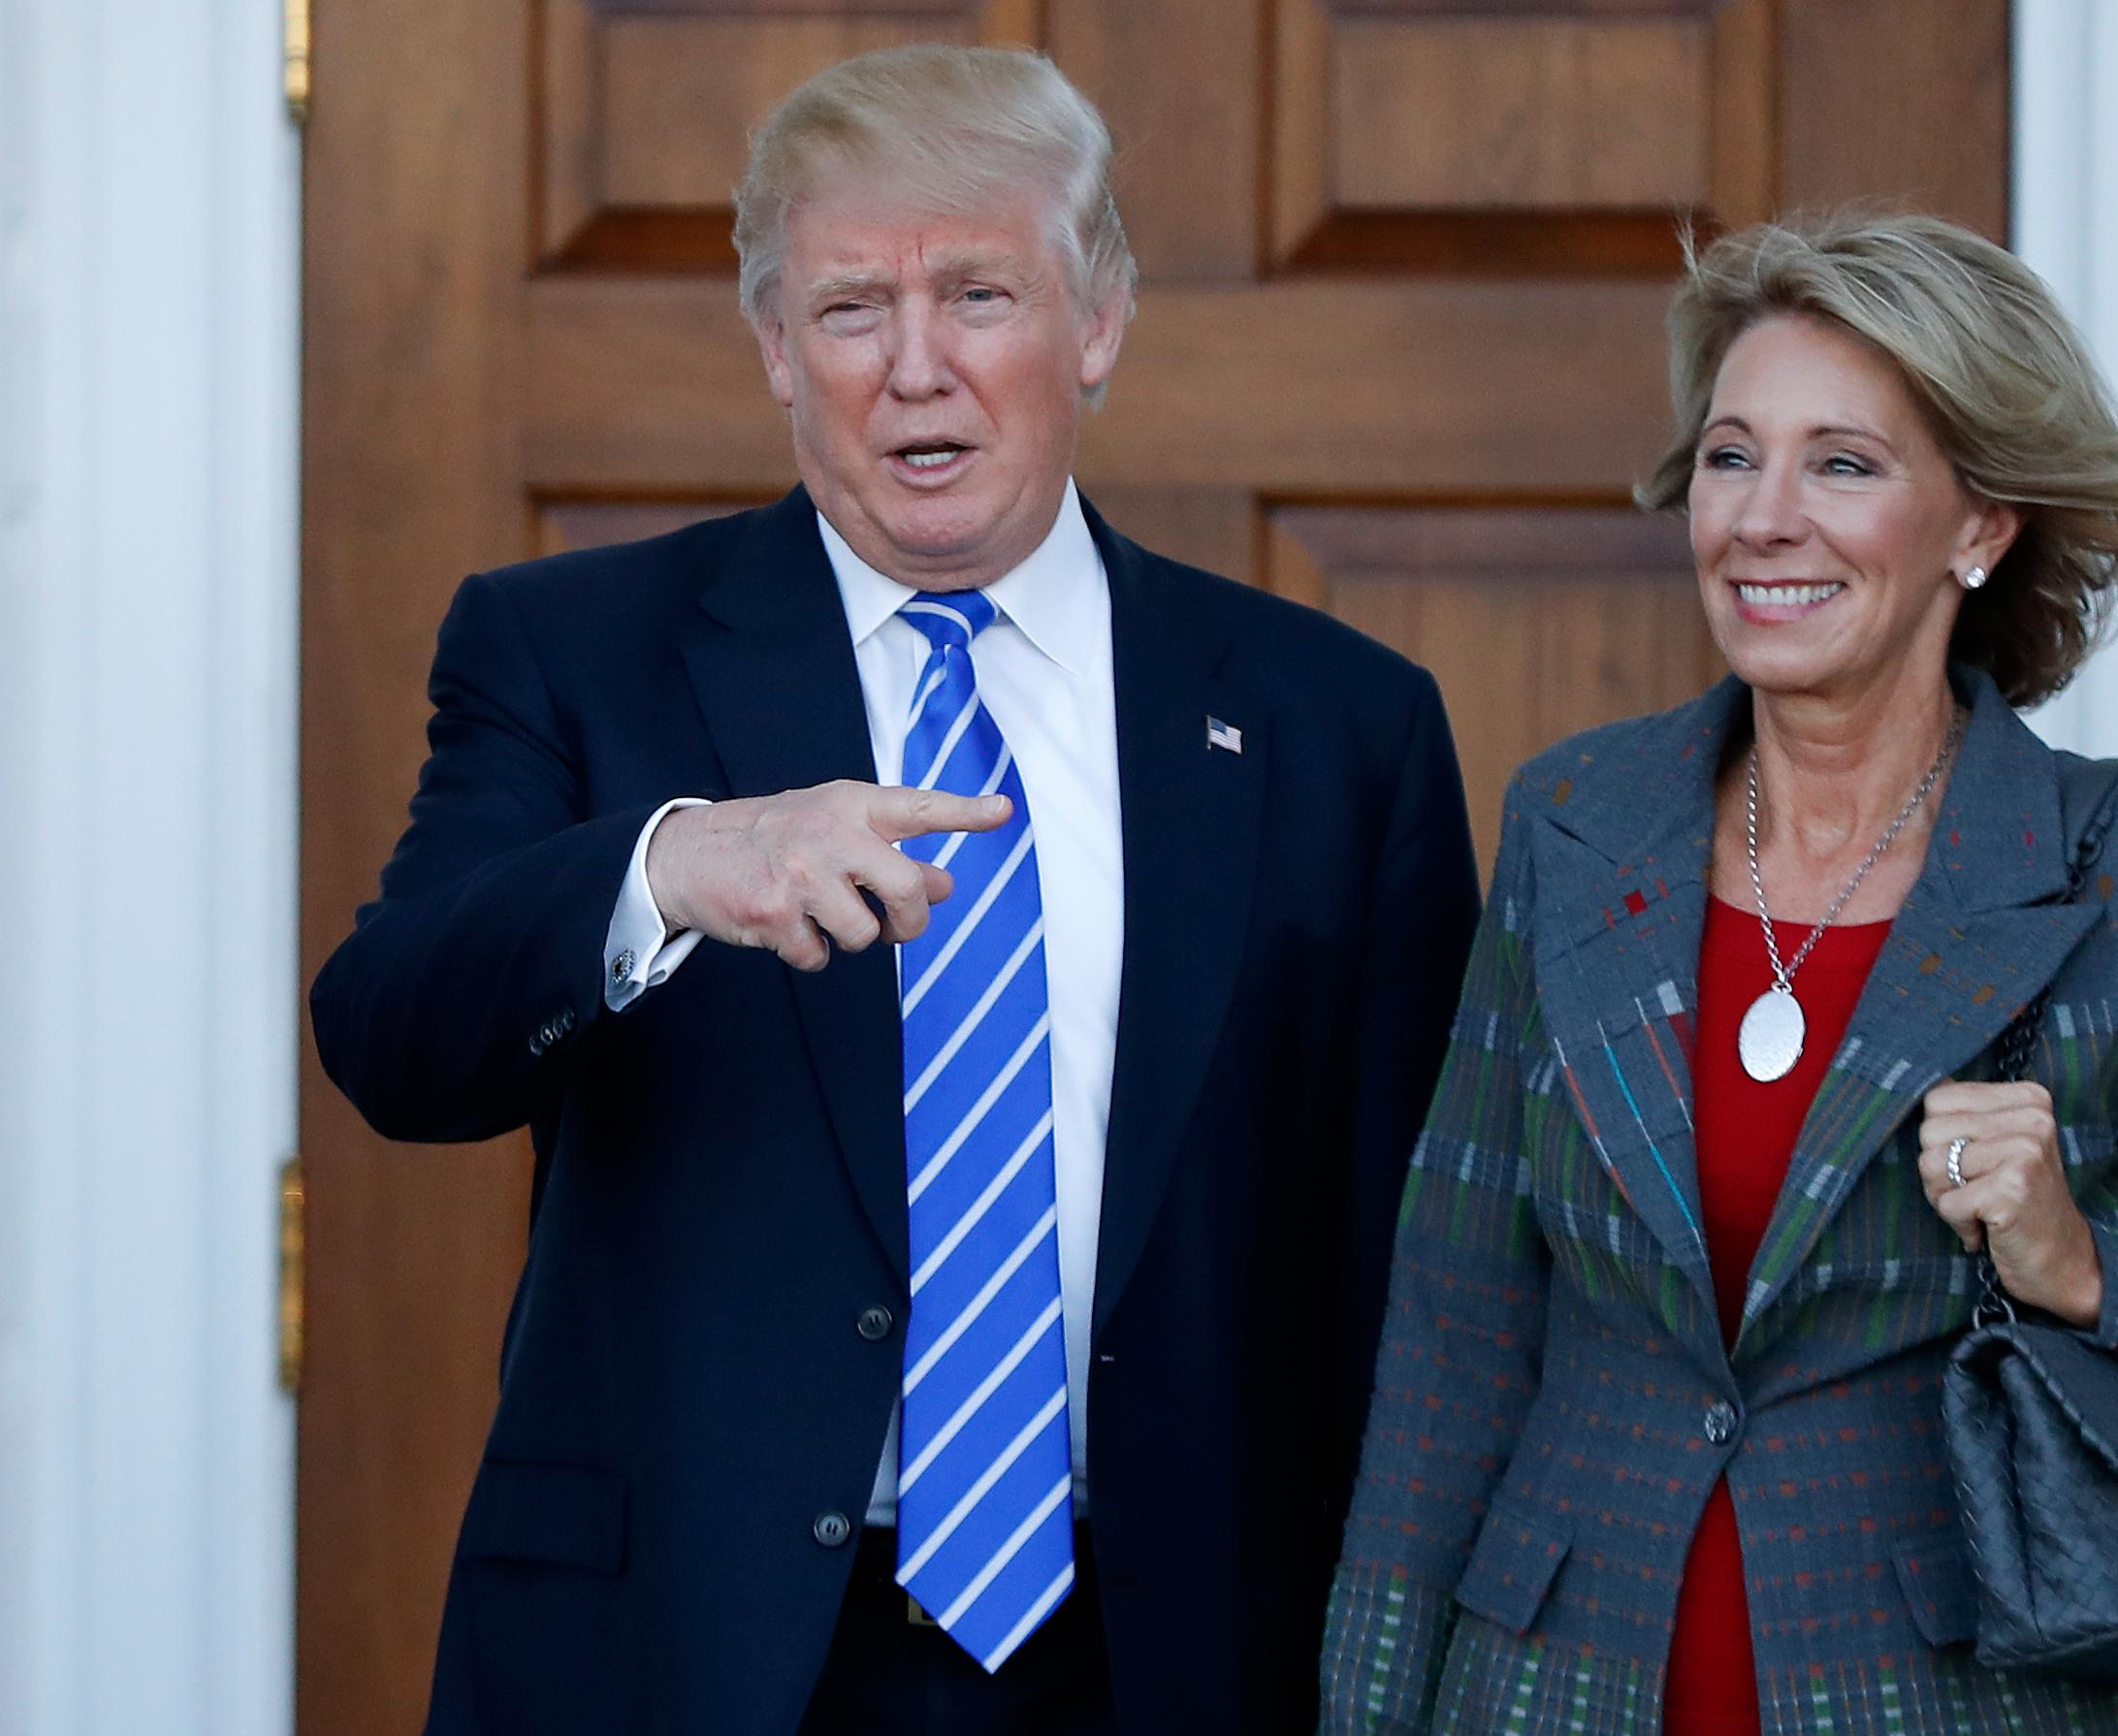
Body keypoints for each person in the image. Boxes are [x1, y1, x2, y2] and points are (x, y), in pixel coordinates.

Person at [310, 45, 1479, 1736]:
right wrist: (669, 867)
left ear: (1099, 323)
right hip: (697, 1651)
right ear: (778, 351)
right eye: (853, 308)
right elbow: (391, 1032)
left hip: (1177, 1653)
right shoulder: (573, 654)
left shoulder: (1335, 723)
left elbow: (1411, 1275)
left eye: (981, 293)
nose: (915, 368)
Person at [1319, 211, 2118, 1736]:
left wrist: (2088, 1269)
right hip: (1548, 1692)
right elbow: (1456, 1344)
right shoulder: (1574, 825)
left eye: (1842, 464)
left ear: (1980, 525)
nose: (1763, 518)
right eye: (1732, 457)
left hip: (1943, 1699)